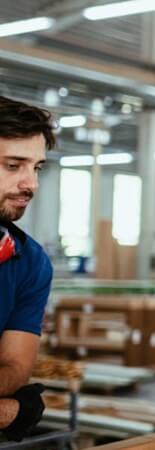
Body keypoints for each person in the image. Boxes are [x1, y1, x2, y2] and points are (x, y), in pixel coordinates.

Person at [0, 96, 55, 442]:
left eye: (36, 167)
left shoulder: (29, 260)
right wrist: (10, 411)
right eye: (13, 166)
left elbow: (15, 369)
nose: (30, 184)